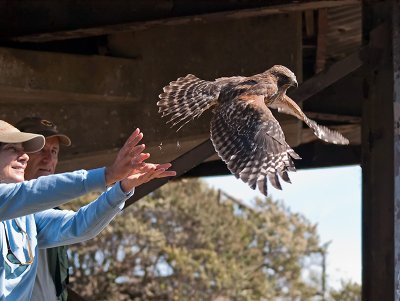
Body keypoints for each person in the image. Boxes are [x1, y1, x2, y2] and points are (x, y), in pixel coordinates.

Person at [0, 119, 176, 301]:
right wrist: (107, 175)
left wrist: (121, 188)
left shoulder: (28, 218)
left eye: (25, 150)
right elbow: (28, 193)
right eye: (13, 149)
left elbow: (78, 224)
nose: (25, 157)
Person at [16, 117, 72, 301]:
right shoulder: (6, 206)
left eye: (54, 151)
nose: (48, 159)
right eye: (41, 150)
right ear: (19, 154)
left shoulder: (55, 212)